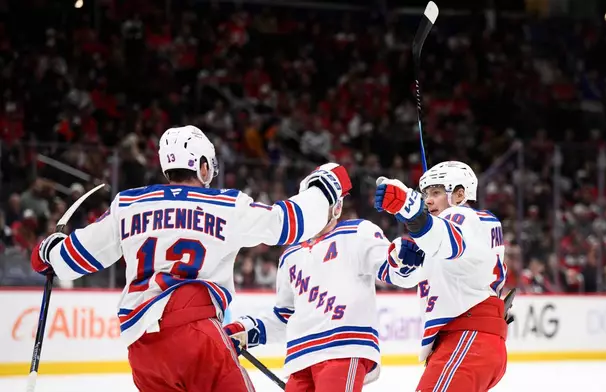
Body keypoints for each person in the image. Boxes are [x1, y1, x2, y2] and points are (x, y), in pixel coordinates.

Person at [30, 125, 352, 392]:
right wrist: (326, 187)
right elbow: (287, 223)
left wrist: (48, 251)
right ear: (201, 165)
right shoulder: (225, 205)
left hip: (143, 350)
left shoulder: (128, 204)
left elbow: (71, 259)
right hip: (197, 335)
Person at [223, 177, 424, 392]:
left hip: (343, 348)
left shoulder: (358, 233)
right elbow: (285, 316)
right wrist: (248, 330)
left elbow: (397, 273)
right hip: (299, 359)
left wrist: (404, 261)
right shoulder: (290, 255)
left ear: (338, 206)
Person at [374, 161, 508, 392]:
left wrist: (410, 210)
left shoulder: (462, 216)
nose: (428, 200)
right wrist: (401, 258)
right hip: (472, 340)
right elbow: (404, 277)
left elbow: (446, 239)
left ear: (459, 194)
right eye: (425, 194)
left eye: (436, 192)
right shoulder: (457, 231)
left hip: (467, 336)